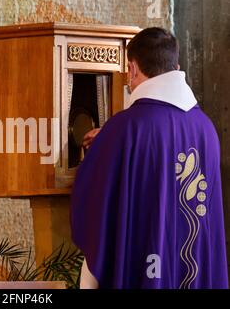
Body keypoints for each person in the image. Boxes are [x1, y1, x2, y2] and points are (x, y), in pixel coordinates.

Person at [70, 27, 228, 289]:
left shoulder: (125, 128)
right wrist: (111, 140)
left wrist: (104, 147)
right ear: (175, 66)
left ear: (132, 69)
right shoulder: (206, 128)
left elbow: (96, 201)